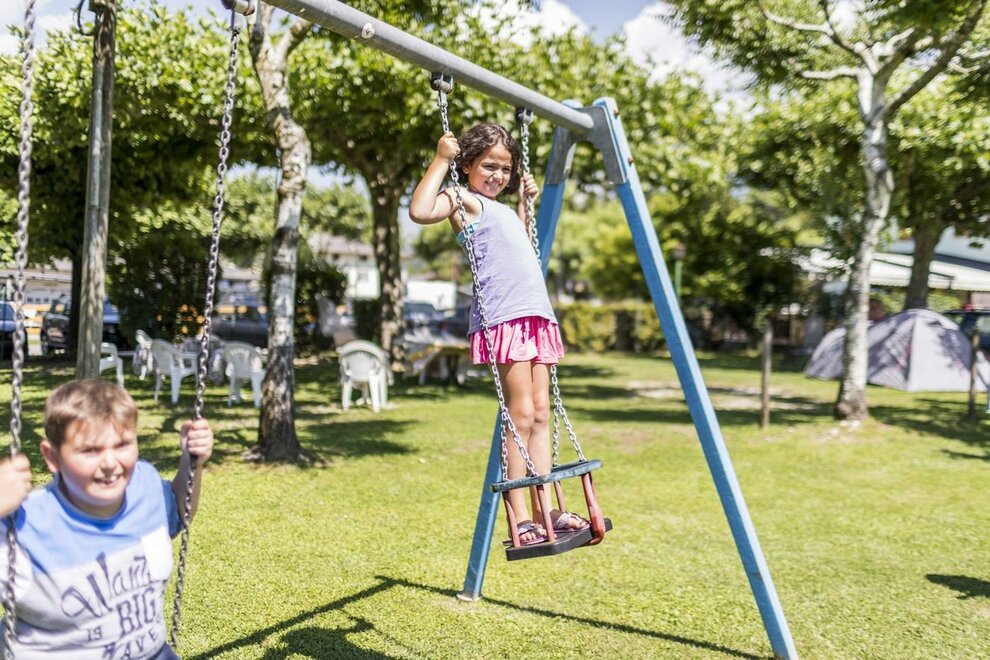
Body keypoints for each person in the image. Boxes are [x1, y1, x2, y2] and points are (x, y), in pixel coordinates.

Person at [409, 122, 589, 546]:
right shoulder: (462, 199)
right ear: (467, 165)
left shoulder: (502, 209)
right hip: (504, 317)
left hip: (535, 315)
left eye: (505, 168)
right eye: (489, 166)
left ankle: (547, 511)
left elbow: (521, 247)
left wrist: (525, 203)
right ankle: (520, 518)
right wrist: (441, 159)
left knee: (541, 413)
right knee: (520, 414)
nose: (498, 175)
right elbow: (419, 210)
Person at [0, 379, 214, 659]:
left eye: (122, 444)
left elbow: (178, 514)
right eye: (91, 450)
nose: (111, 463)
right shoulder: (25, 524)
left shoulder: (144, 484)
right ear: (52, 457)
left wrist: (191, 462)